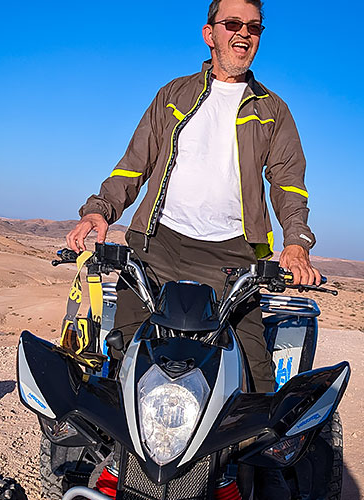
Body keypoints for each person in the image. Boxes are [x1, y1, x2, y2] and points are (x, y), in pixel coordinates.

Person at [67, 0, 320, 394]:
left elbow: (288, 183)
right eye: (233, 23)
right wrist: (100, 211)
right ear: (209, 34)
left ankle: (242, 455)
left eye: (254, 27)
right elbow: (134, 165)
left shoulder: (274, 110)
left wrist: (296, 243)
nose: (244, 33)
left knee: (254, 380)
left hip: (231, 258)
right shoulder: (174, 94)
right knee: (125, 364)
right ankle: (112, 457)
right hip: (157, 246)